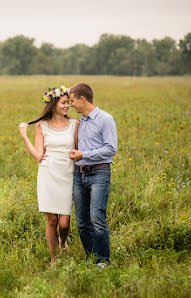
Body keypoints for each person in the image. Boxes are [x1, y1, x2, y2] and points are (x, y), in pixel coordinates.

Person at [19, 86, 79, 267]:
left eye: (68, 102)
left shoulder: (75, 124)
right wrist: (24, 136)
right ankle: (53, 258)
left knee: (64, 222)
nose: (67, 106)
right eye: (64, 102)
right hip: (48, 174)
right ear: (53, 105)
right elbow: (38, 155)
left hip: (67, 174)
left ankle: (62, 241)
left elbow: (77, 148)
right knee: (52, 220)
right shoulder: (41, 126)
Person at [68, 83, 117, 268]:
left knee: (96, 217)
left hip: (99, 172)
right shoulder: (80, 122)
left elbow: (111, 149)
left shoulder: (105, 119)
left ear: (82, 99)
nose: (72, 105)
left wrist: (84, 155)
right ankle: (91, 257)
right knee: (82, 221)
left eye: (72, 101)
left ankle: (103, 260)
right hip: (79, 175)